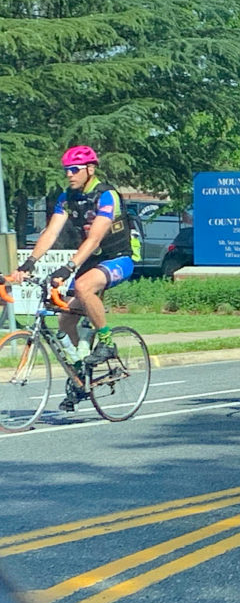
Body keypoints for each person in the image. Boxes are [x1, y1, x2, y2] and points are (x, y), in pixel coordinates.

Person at [10, 146, 135, 409]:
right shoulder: (66, 198)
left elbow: (95, 237)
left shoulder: (106, 195)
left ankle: (107, 343)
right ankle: (81, 374)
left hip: (118, 257)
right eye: (66, 170)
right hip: (91, 260)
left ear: (90, 169)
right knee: (65, 319)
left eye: (75, 169)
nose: (69, 174)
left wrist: (68, 266)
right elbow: (50, 232)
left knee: (82, 285)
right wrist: (29, 263)